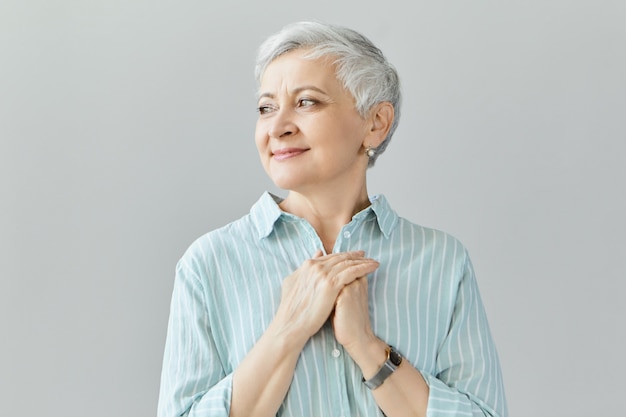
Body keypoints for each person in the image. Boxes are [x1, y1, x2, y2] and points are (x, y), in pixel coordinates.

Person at [157, 21, 508, 417]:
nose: (278, 126)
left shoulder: (442, 262)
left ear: (375, 123)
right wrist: (287, 330)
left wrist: (368, 348)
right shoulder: (207, 265)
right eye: (266, 107)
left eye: (307, 102)